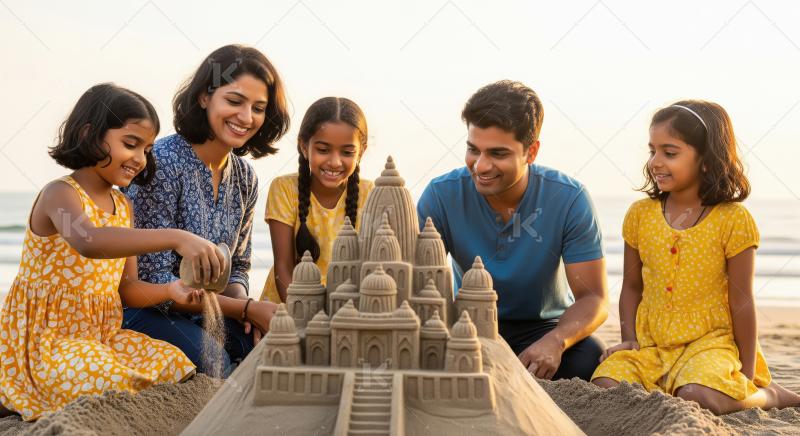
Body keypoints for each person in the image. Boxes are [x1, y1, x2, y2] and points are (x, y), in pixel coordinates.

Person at [0, 84, 216, 420]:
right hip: (47, 343)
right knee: (108, 378)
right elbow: (89, 240)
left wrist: (171, 290)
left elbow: (128, 289)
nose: (139, 159)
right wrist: (176, 237)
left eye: (146, 149)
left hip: (102, 337)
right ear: (89, 134)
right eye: (130, 144)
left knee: (172, 363)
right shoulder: (60, 193)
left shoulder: (123, 206)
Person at [591, 100, 800, 414]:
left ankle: (769, 394)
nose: (656, 162)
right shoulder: (639, 215)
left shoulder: (732, 219)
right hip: (653, 347)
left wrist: (746, 369)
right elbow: (632, 287)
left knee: (697, 395)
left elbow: (741, 299)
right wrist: (629, 340)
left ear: (706, 160)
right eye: (652, 151)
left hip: (710, 345)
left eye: (670, 153)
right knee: (606, 384)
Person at [417, 80, 608, 381]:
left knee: (589, 361)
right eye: (472, 149)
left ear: (531, 152)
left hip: (544, 327)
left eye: (498, 153)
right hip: (469, 324)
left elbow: (593, 297)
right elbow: (414, 279)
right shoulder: (441, 195)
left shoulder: (568, 198)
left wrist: (556, 342)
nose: (480, 166)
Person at [122, 44, 290, 375]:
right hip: (148, 309)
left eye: (258, 107)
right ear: (204, 97)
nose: (246, 117)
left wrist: (246, 317)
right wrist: (246, 308)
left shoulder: (245, 177)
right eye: (234, 101)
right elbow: (150, 278)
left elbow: (238, 265)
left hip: (208, 310)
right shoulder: (162, 164)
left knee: (269, 350)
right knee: (218, 365)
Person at [261, 97, 374, 303]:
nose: (334, 162)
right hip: (287, 310)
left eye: (347, 152)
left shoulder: (371, 194)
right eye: (323, 150)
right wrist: (303, 322)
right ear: (304, 146)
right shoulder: (285, 189)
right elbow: (283, 268)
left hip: (346, 313)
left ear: (361, 151)